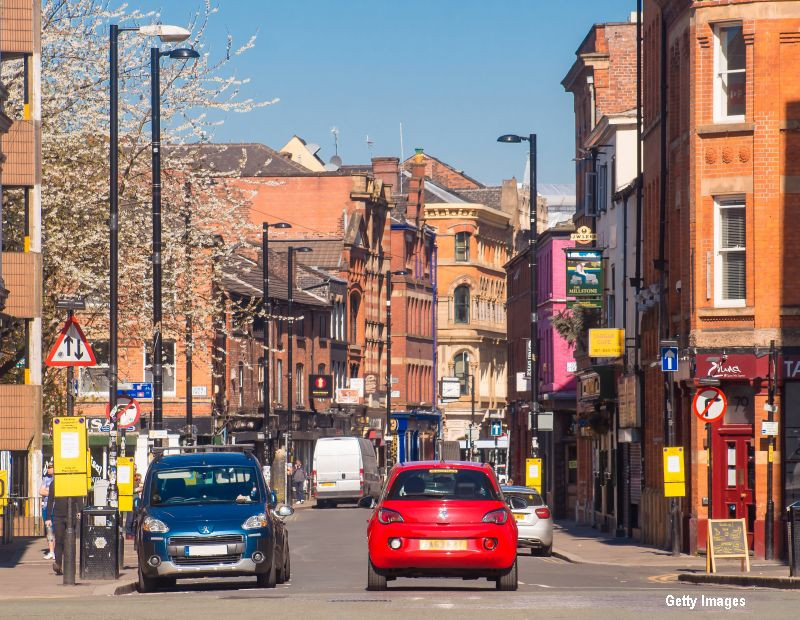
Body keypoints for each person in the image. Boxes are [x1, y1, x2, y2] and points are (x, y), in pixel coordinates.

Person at [47, 474, 84, 576]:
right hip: (58, 515)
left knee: (69, 541)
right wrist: (48, 518)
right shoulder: (54, 483)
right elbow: (50, 500)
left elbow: (79, 497)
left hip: (71, 515)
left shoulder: (73, 482)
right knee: (59, 540)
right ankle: (58, 565)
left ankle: (69, 566)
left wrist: (80, 511)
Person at [39, 463, 55, 560]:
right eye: (48, 467)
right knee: (49, 529)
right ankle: (51, 551)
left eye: (50, 467)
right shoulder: (46, 479)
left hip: (56, 507)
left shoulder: (58, 479)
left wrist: (48, 492)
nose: (48, 469)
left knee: (57, 530)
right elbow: (41, 491)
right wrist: (52, 492)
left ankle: (56, 551)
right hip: (46, 507)